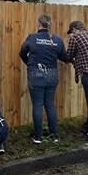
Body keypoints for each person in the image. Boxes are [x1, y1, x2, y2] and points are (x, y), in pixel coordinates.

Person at [19, 14, 68, 144]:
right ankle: (54, 135)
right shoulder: (57, 39)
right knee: (50, 105)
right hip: (52, 74)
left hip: (36, 73)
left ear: (38, 23)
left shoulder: (32, 37)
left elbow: (22, 52)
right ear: (50, 24)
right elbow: (64, 57)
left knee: (38, 105)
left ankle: (38, 137)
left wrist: (29, 64)